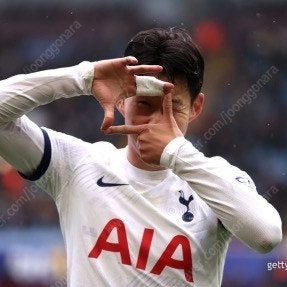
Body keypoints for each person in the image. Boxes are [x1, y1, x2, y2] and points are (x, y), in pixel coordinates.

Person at [0, 27, 282, 287]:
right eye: (145, 104)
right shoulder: (76, 165)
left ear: (196, 108)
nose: (157, 122)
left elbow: (266, 236)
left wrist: (176, 153)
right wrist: (83, 78)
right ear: (121, 100)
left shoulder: (218, 179)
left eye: (174, 108)